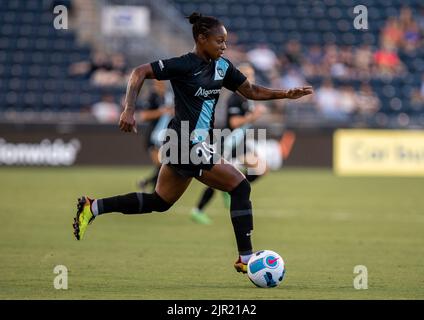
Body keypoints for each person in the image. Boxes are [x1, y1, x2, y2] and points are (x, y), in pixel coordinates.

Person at [72, 12, 313, 274]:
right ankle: (245, 257)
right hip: (185, 142)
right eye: (219, 41)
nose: (224, 46)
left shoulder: (223, 67)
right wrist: (128, 109)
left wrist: (285, 94)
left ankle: (93, 206)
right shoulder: (184, 65)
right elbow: (139, 72)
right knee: (240, 186)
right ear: (201, 39)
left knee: (160, 202)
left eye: (225, 41)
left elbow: (251, 90)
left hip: (188, 144)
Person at [190, 63, 268, 225]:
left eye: (251, 74)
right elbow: (234, 122)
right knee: (217, 178)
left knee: (261, 168)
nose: (250, 77)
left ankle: (231, 188)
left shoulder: (248, 97)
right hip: (229, 142)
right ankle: (197, 210)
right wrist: (254, 116)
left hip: (240, 142)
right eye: (246, 74)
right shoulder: (235, 98)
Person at [137, 80, 173, 191]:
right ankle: (153, 190)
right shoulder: (152, 96)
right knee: (162, 165)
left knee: (164, 166)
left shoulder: (169, 96)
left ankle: (146, 183)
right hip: (154, 136)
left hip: (167, 136)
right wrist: (162, 111)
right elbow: (143, 116)